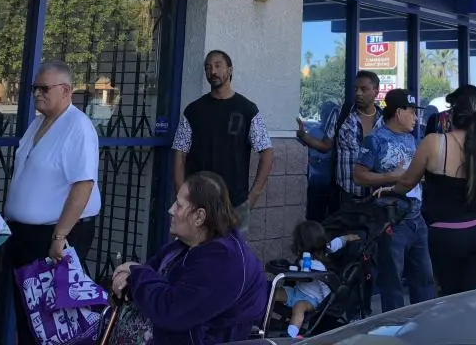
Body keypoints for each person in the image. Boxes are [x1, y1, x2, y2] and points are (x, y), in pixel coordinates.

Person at [5, 61, 101, 345]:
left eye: (44, 88)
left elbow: (83, 184)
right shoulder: (37, 123)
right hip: (24, 235)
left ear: (66, 90)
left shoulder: (78, 127)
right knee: (28, 316)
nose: (37, 94)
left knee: (52, 321)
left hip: (55, 235)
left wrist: (60, 236)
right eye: (35, 88)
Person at [111, 171, 269, 345]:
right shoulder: (186, 245)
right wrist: (130, 277)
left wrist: (135, 274)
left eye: (179, 205)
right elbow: (150, 273)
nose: (171, 210)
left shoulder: (224, 261)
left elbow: (171, 311)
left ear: (199, 217)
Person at [392, 85, 476, 296]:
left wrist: (389, 190)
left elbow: (407, 182)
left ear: (452, 114)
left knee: (450, 297)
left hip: (445, 234)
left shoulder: (433, 143)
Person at [174, 51, 273, 235]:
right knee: (194, 258)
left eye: (218, 65)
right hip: (196, 203)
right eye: (208, 67)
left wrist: (251, 200)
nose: (213, 71)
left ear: (230, 70)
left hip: (234, 205)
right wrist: (181, 197)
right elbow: (180, 154)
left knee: (230, 258)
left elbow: (266, 152)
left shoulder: (248, 110)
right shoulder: (193, 111)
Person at [354, 89, 435, 311]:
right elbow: (358, 176)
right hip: (392, 220)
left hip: (417, 217)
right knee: (392, 280)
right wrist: (391, 177)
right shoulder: (375, 140)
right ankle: (394, 329)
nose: (416, 118)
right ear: (399, 112)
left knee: (424, 278)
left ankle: (424, 324)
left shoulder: (411, 139)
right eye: (412, 112)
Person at [297, 71, 382, 209]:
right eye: (355, 89)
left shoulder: (384, 121)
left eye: (364, 89)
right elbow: (325, 146)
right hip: (346, 195)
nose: (358, 93)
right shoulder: (341, 114)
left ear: (376, 92)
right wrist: (303, 136)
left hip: (376, 195)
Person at [274, 221, 358, 338]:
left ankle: (291, 335)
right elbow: (335, 244)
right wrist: (346, 238)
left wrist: (325, 303)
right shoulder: (323, 250)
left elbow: (326, 284)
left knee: (299, 308)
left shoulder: (317, 266)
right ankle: (259, 317)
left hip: (312, 300)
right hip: (296, 292)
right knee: (274, 292)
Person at [303, 101, 339, 221]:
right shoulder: (314, 132)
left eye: (328, 112)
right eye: (324, 112)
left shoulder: (339, 133)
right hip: (315, 178)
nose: (326, 115)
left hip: (333, 180)